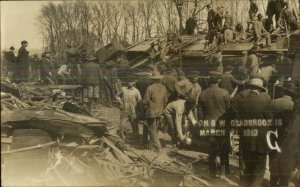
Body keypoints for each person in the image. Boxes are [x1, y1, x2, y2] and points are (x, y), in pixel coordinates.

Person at [236, 78, 272, 187]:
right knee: (259, 166)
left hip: (246, 137)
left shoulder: (241, 102)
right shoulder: (264, 102)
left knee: (248, 164)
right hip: (260, 140)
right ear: (259, 90)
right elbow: (270, 120)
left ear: (250, 88)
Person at [198, 71, 230, 177]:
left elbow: (200, 112)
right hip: (222, 124)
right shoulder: (225, 93)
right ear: (219, 80)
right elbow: (228, 110)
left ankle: (212, 172)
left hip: (208, 124)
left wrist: (201, 122)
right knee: (224, 148)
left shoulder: (203, 94)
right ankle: (224, 173)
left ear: (209, 80)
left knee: (212, 149)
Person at [143, 75, 168, 152]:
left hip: (151, 111)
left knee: (151, 128)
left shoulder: (150, 88)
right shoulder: (164, 88)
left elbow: (145, 101)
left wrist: (146, 107)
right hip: (160, 111)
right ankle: (151, 146)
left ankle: (158, 146)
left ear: (152, 80)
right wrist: (161, 107)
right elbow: (165, 100)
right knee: (155, 128)